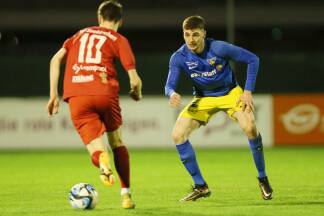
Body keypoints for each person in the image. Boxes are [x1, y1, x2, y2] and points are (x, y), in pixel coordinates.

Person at [165, 15, 273, 202]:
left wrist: (247, 91)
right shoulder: (179, 57)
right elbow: (169, 85)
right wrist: (172, 93)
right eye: (187, 34)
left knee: (250, 128)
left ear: (204, 34)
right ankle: (201, 186)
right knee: (177, 135)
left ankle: (262, 178)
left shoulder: (218, 48)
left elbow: (252, 59)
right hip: (203, 98)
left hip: (231, 94)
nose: (191, 39)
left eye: (196, 35)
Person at [46, 0, 142, 209]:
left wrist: (54, 94)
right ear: (120, 21)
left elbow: (55, 60)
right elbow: (134, 79)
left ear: (99, 18)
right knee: (117, 142)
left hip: (77, 94)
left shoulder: (78, 35)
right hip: (104, 92)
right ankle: (126, 195)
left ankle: (101, 160)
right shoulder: (118, 38)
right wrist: (136, 92)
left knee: (96, 149)